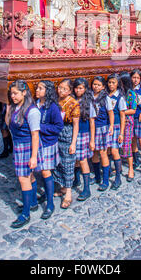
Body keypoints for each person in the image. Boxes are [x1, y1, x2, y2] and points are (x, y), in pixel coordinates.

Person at [5, 80, 44, 228]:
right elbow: (8, 123)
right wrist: (8, 107)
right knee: (30, 176)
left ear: (24, 93)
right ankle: (33, 202)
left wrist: (34, 156)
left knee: (23, 178)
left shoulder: (32, 111)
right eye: (11, 93)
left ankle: (25, 213)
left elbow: (35, 135)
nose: (13, 96)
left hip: (28, 146)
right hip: (19, 145)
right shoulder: (16, 107)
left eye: (15, 93)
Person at [35, 80, 64, 219]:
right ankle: (45, 194)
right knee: (39, 170)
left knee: (46, 171)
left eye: (41, 88)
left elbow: (58, 127)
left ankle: (50, 203)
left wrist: (40, 127)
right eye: (37, 88)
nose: (37, 90)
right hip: (36, 142)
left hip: (47, 142)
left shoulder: (52, 107)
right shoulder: (35, 104)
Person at [53, 79, 80, 209]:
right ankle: (62, 186)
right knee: (58, 162)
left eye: (64, 89)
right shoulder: (56, 101)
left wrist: (73, 142)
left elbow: (76, 125)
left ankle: (68, 192)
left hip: (68, 132)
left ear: (70, 91)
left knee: (68, 163)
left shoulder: (73, 104)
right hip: (56, 132)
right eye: (60, 88)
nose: (61, 91)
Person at [90, 76, 114, 191]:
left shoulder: (106, 98)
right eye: (94, 84)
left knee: (103, 153)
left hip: (102, 127)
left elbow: (111, 113)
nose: (96, 87)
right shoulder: (89, 96)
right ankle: (97, 176)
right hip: (92, 128)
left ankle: (105, 179)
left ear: (103, 87)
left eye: (99, 85)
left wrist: (112, 126)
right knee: (94, 152)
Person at [73, 78, 94, 201]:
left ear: (85, 89)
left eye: (81, 88)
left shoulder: (88, 102)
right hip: (74, 133)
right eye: (76, 88)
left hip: (83, 132)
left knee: (82, 160)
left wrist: (92, 139)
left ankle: (86, 188)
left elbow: (92, 122)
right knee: (75, 158)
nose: (78, 90)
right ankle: (76, 179)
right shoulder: (72, 100)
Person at [106, 74, 126, 190]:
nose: (111, 85)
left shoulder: (120, 97)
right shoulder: (105, 96)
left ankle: (118, 177)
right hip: (106, 125)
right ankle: (107, 172)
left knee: (114, 151)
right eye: (109, 82)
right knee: (107, 150)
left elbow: (123, 116)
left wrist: (121, 133)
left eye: (113, 83)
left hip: (117, 125)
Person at [119, 72, 137, 182]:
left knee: (127, 144)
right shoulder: (118, 93)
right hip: (118, 121)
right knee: (118, 144)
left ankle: (131, 168)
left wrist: (122, 112)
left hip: (127, 120)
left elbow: (133, 109)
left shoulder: (131, 94)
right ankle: (119, 165)